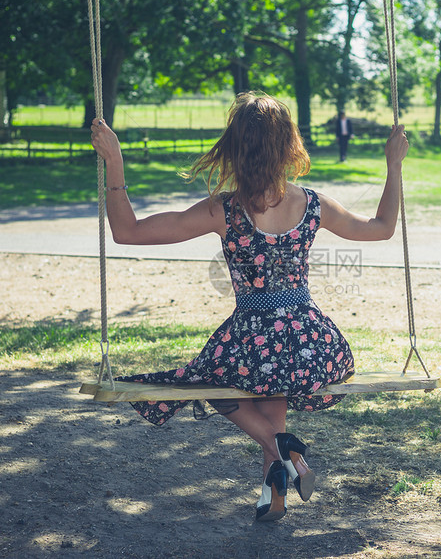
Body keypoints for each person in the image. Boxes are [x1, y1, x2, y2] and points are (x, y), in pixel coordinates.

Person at [90, 92, 408, 522]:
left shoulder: (225, 210)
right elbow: (383, 228)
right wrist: (394, 165)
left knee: (207, 379)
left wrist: (115, 163)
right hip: (314, 347)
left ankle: (288, 450)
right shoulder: (313, 205)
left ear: (235, 148)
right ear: (288, 145)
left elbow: (127, 232)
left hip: (252, 341)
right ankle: (273, 493)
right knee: (269, 388)